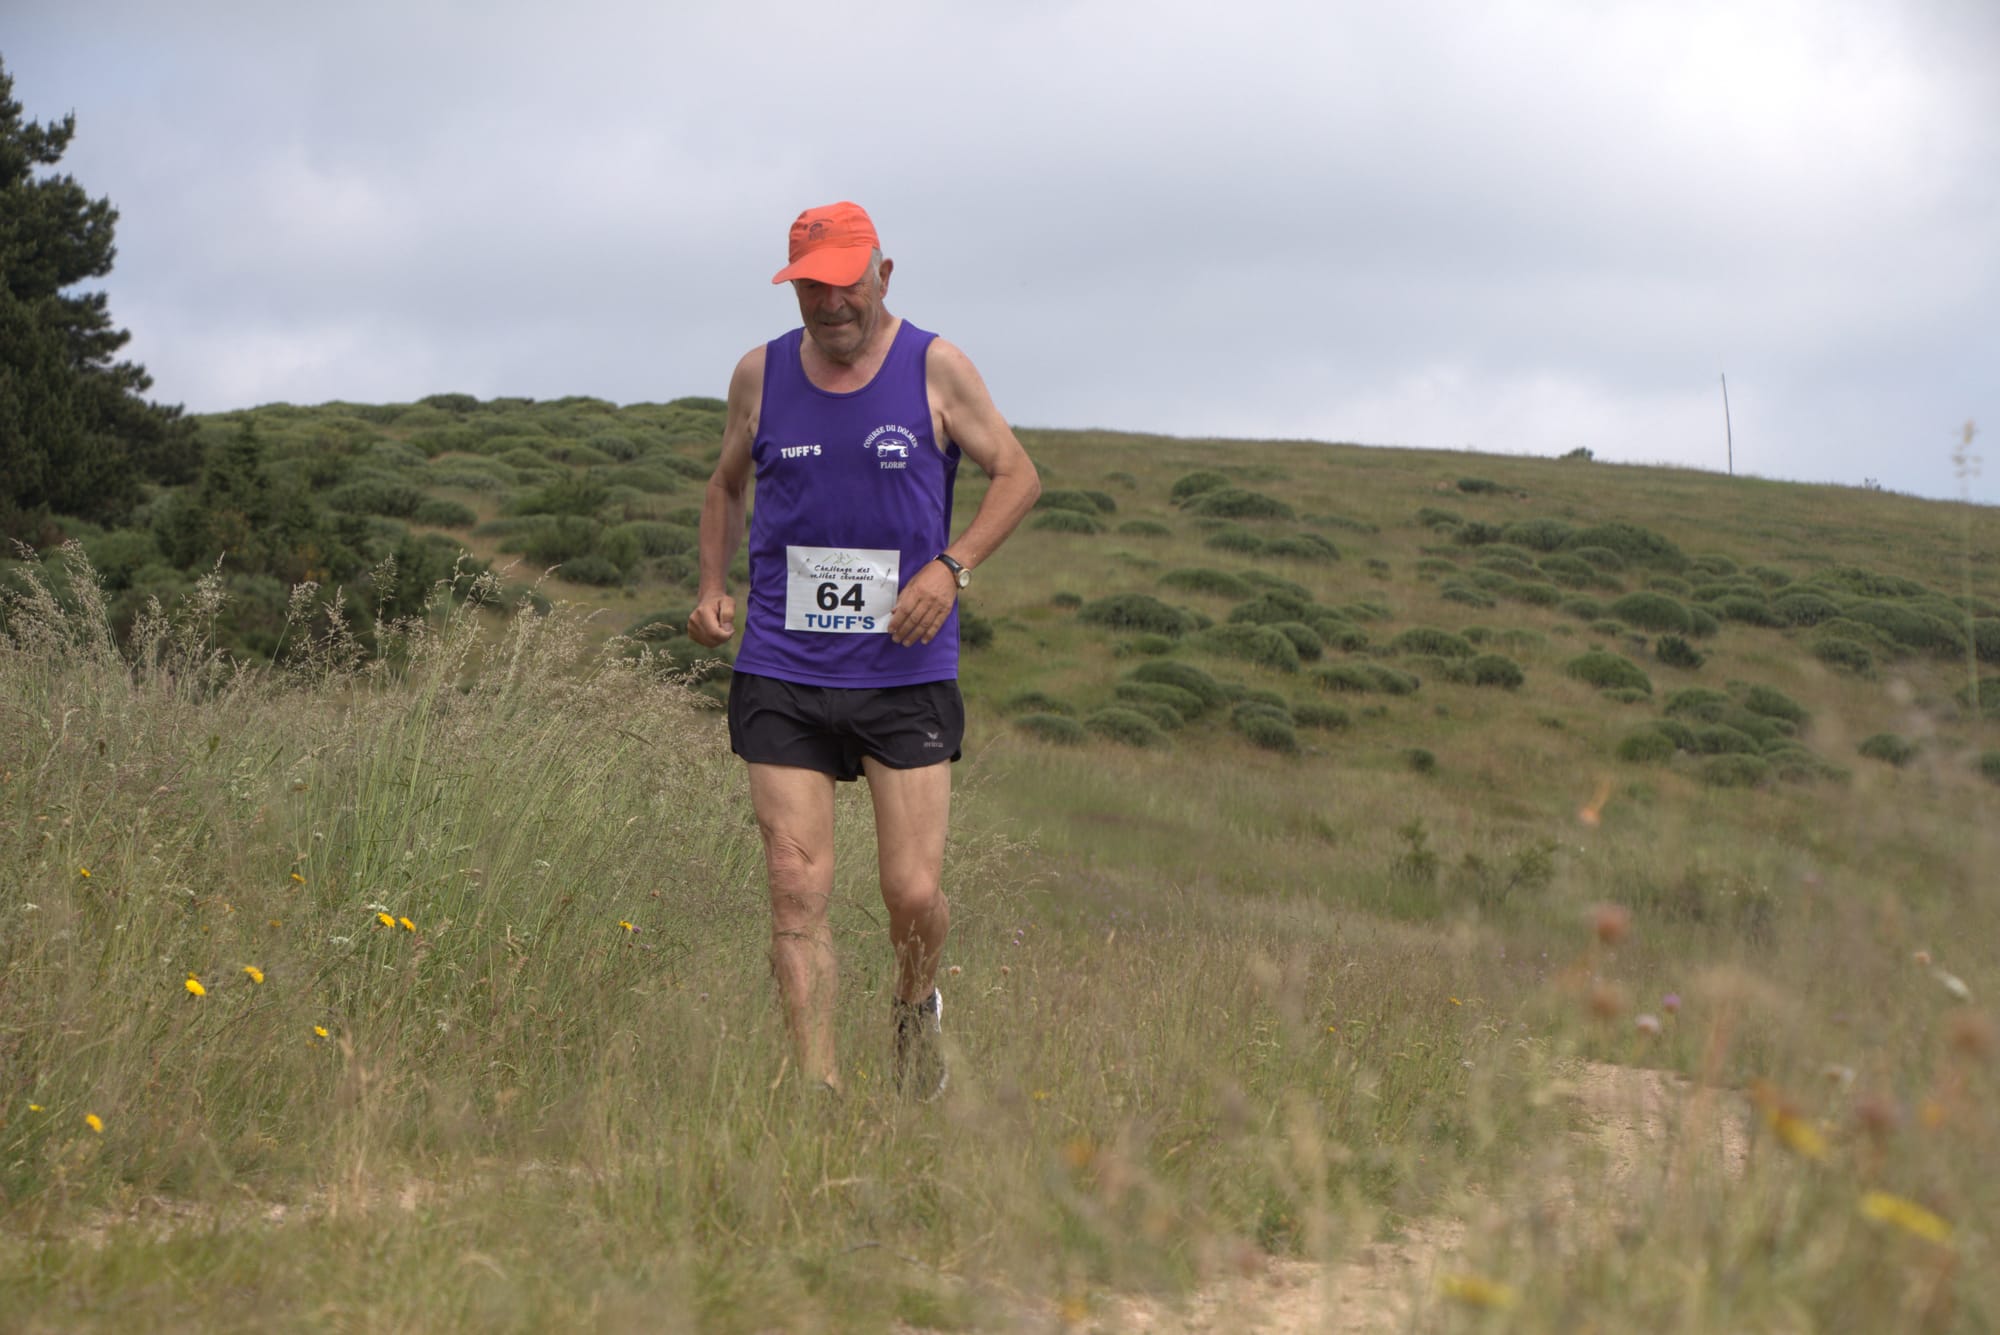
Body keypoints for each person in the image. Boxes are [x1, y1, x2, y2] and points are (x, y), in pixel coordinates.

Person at [687, 201, 1040, 1099]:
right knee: (794, 888)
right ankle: (818, 1087)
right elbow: (727, 485)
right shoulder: (759, 374)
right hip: (781, 667)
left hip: (904, 669)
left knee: (911, 892)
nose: (831, 302)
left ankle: (915, 1001)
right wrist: (711, 585)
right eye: (813, 286)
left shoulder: (937, 366)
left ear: (884, 274)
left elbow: (1018, 473)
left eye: (847, 282)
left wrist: (951, 567)